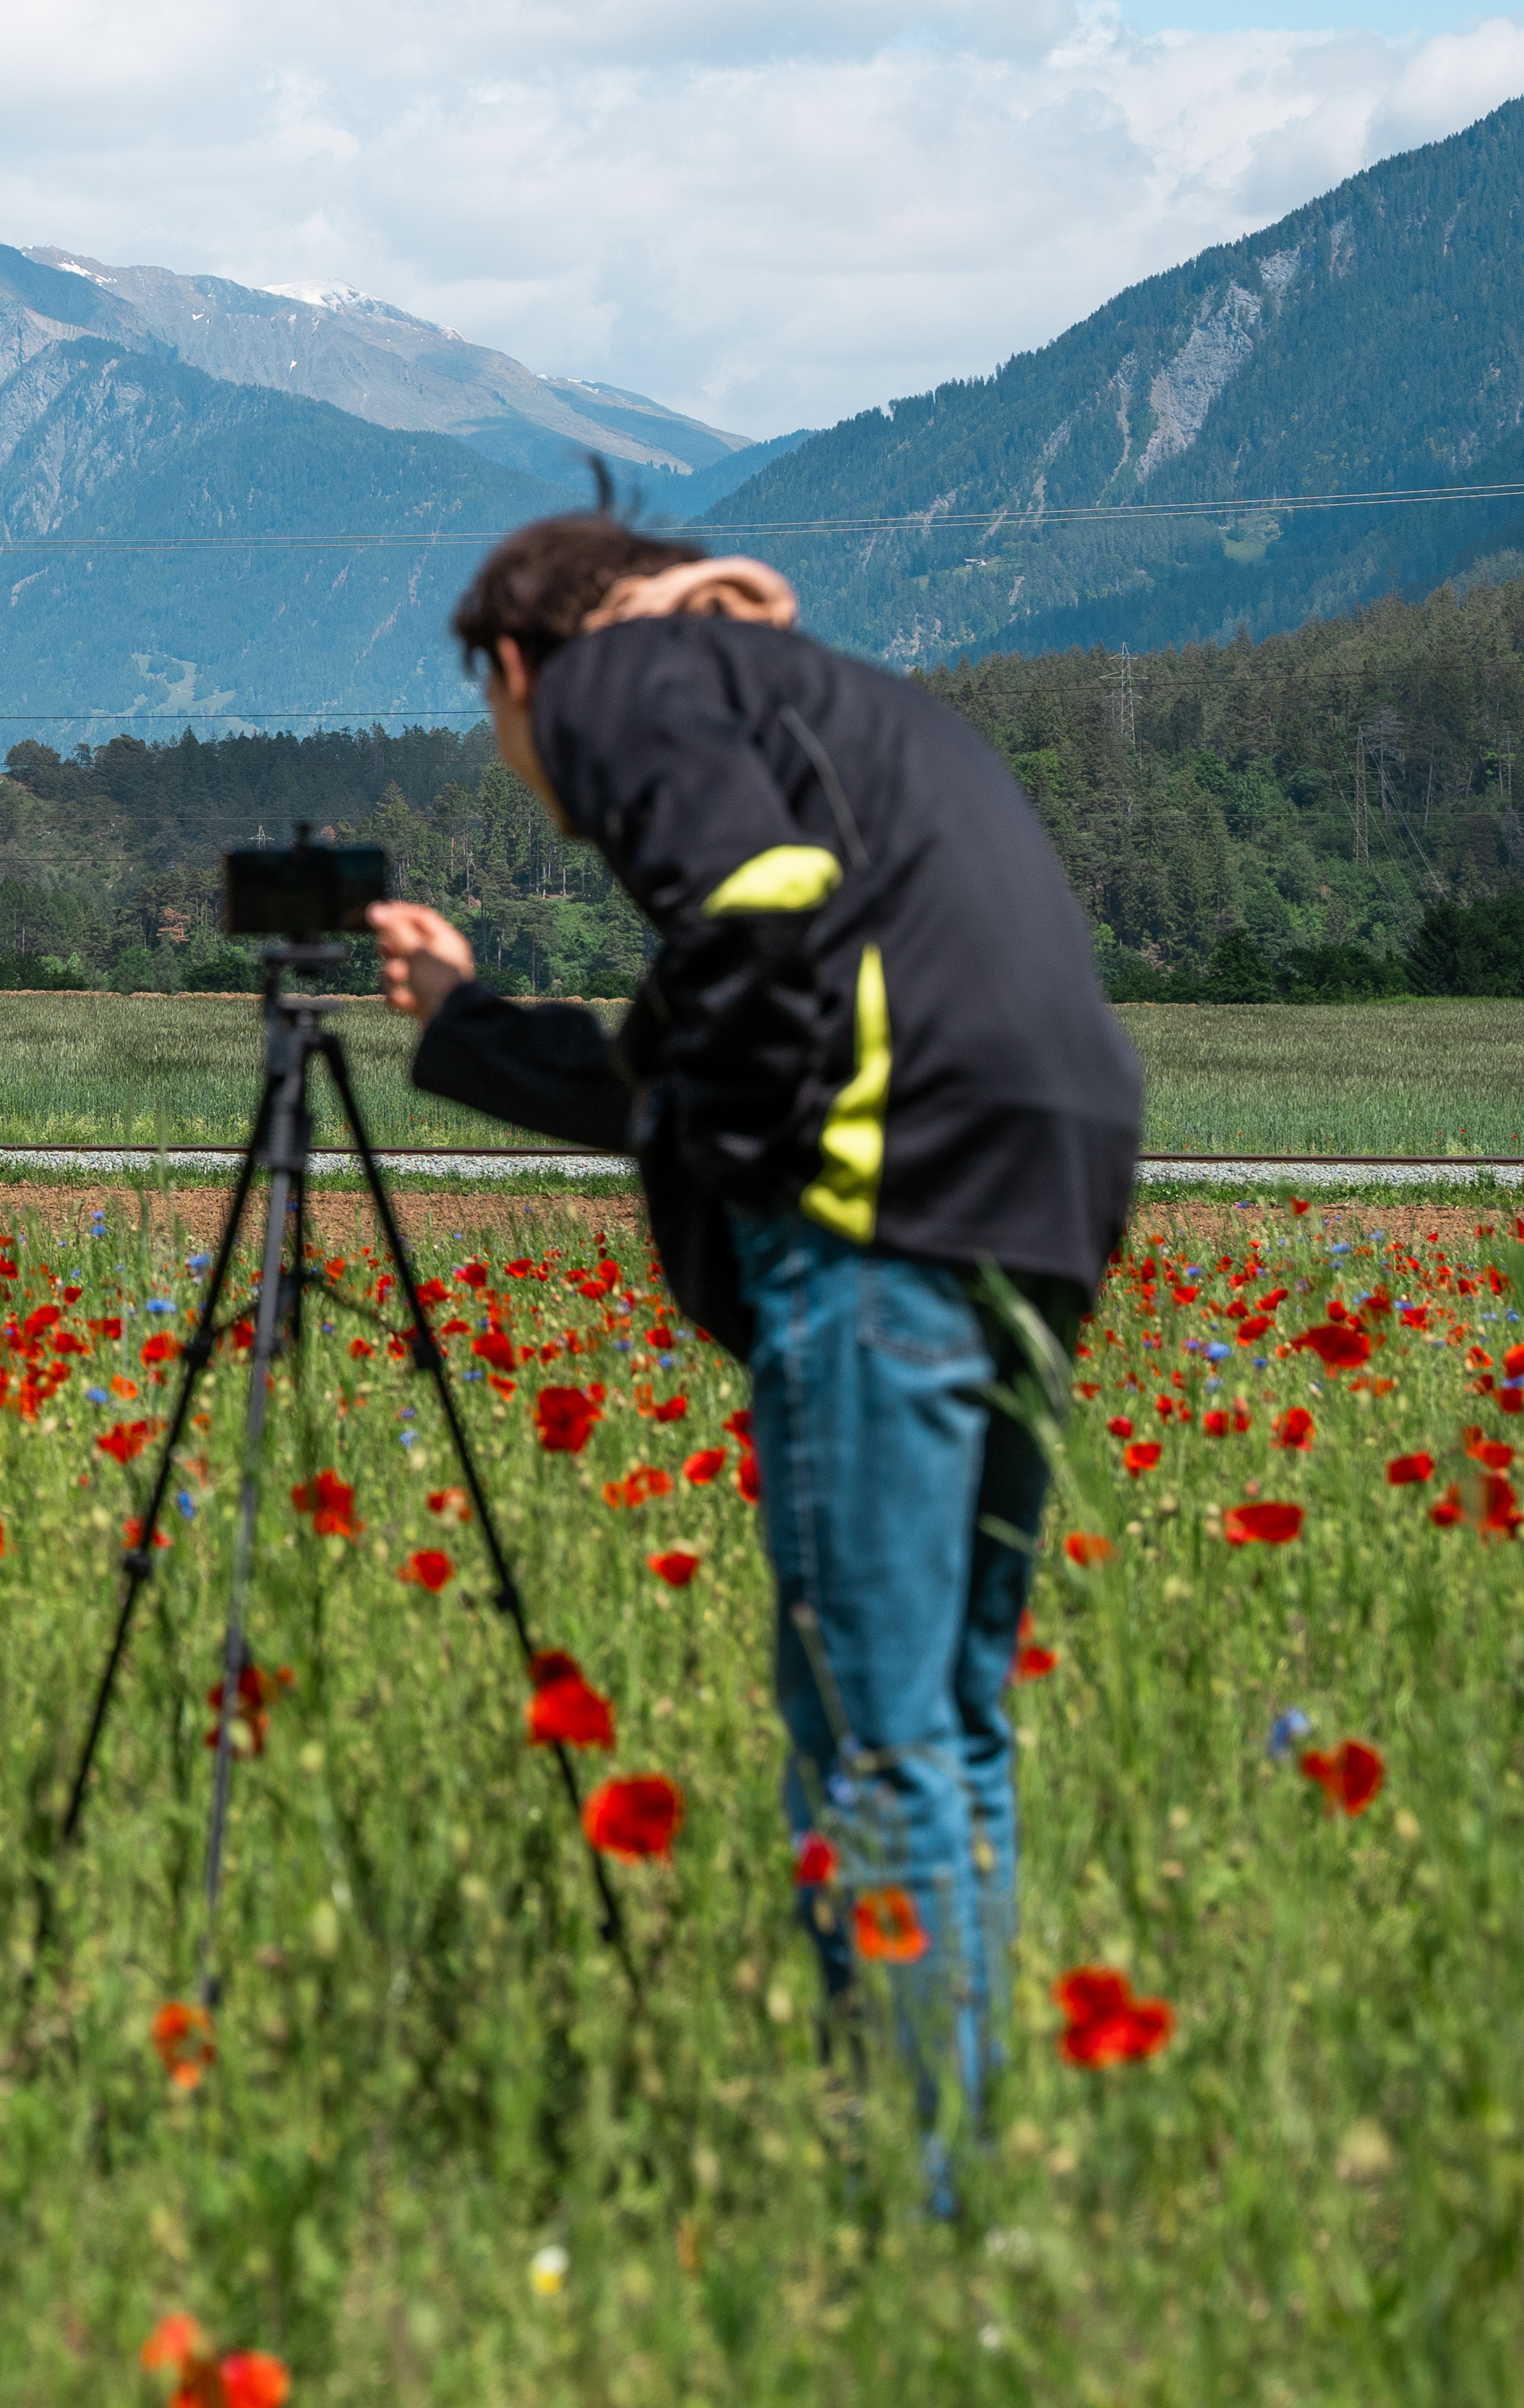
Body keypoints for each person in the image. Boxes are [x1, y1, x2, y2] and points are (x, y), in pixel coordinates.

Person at [365, 498, 1139, 2205]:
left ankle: (903, 2207)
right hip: (1043, 1187)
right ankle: (973, 2166)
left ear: (511, 665)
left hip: (888, 1212)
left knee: (869, 1737)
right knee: (950, 1721)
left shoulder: (617, 678)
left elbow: (756, 922)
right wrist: (477, 1031)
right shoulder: (811, 696)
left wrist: (743, 1169)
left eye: (502, 726)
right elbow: (728, 1013)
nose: (524, 761)